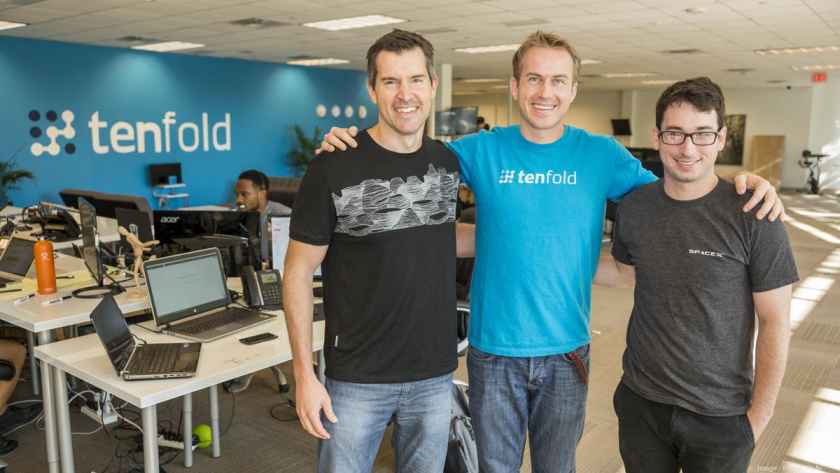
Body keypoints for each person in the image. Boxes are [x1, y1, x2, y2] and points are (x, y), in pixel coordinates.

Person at [318, 31, 784, 473]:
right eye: (534, 79)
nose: (546, 92)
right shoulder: (477, 151)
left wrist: (741, 188)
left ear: (573, 89)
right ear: (515, 87)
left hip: (567, 354)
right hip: (492, 352)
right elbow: (402, 156)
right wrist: (350, 144)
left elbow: (679, 191)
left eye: (558, 80)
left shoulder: (601, 155)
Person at [283, 29, 473, 473]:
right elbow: (296, 272)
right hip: (356, 378)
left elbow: (436, 236)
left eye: (415, 80)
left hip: (433, 372)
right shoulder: (334, 164)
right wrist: (304, 374)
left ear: (432, 84)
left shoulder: (446, 163)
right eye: (390, 82)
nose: (405, 94)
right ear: (372, 89)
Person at [606, 77, 797, 473]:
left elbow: (776, 321)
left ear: (721, 138)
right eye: (675, 133)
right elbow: (625, 273)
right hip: (642, 403)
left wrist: (757, 420)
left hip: (720, 417)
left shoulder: (755, 214)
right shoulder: (636, 208)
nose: (688, 148)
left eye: (702, 134)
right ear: (657, 137)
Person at [225, 169, 292, 394]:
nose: (238, 200)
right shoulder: (236, 217)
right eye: (237, 194)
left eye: (244, 194)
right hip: (243, 278)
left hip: (276, 280)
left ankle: (249, 365)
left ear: (262, 192)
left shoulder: (285, 215)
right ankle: (241, 362)